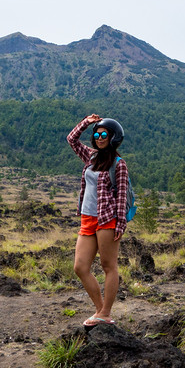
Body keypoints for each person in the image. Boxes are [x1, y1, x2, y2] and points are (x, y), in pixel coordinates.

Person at [66, 113, 129, 327]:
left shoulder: (118, 164)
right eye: (97, 134)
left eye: (104, 134)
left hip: (107, 219)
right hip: (87, 217)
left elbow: (121, 196)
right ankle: (100, 310)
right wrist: (87, 123)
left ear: (113, 138)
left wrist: (120, 223)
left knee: (108, 265)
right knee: (80, 267)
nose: (100, 137)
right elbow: (72, 139)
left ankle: (106, 313)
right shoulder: (91, 157)